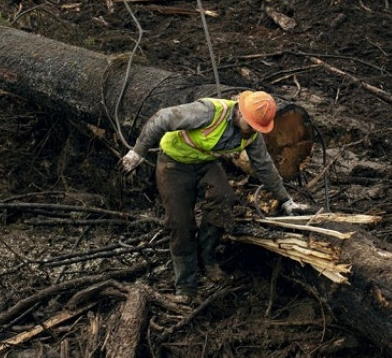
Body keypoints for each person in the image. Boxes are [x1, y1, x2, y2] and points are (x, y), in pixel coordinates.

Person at [119, 90, 310, 304]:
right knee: (180, 224)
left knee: (224, 200)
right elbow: (162, 118)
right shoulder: (208, 112)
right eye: (252, 126)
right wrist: (138, 152)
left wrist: (286, 200)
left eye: (259, 128)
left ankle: (206, 255)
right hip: (173, 164)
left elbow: (264, 165)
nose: (254, 132)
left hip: (204, 164)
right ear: (240, 113)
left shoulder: (253, 134)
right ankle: (186, 286)